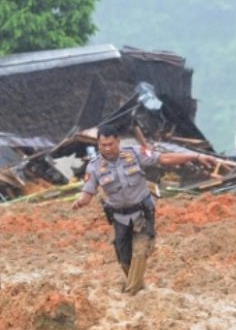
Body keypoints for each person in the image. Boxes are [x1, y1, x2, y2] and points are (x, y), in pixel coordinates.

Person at [72, 125, 216, 294]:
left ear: (118, 141)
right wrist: (81, 201)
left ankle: (131, 293)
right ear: (98, 144)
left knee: (140, 251)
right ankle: (138, 287)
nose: (107, 148)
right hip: (119, 217)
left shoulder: (135, 153)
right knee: (124, 258)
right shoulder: (94, 167)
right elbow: (88, 192)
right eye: (103, 145)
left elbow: (165, 159)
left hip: (142, 211)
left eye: (111, 144)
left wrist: (196, 156)